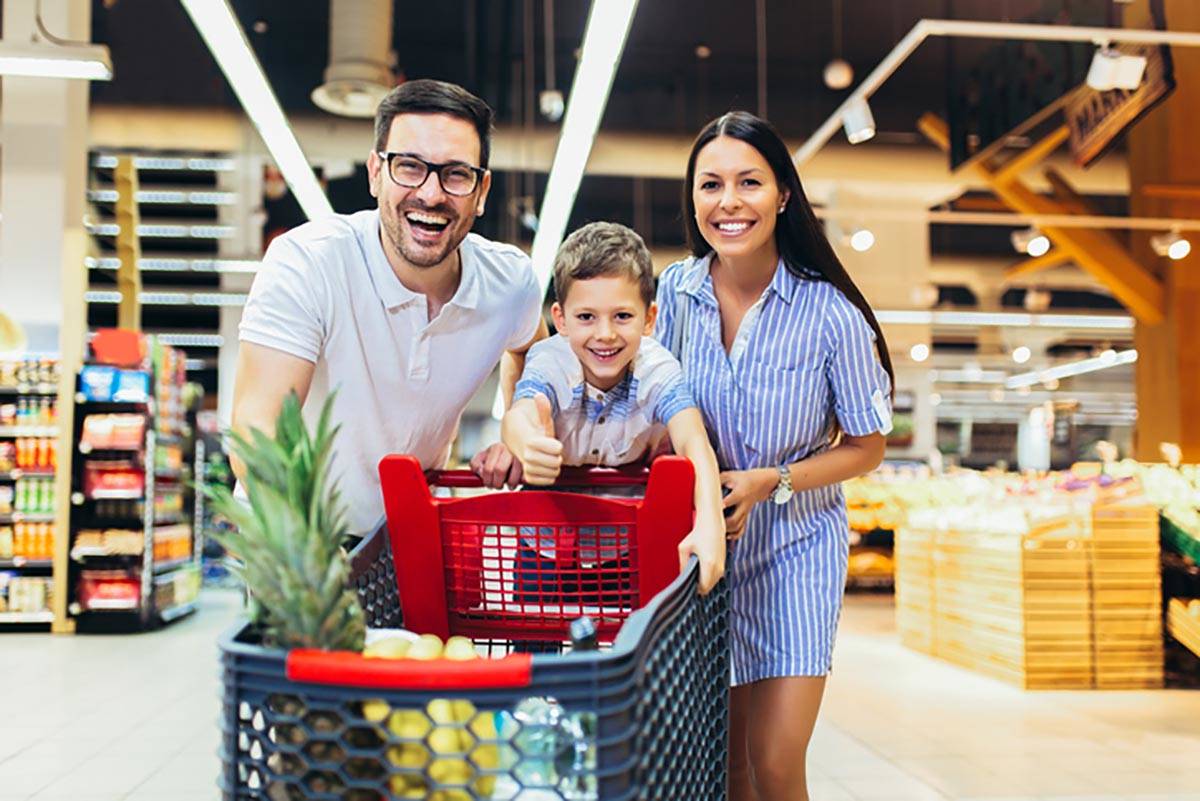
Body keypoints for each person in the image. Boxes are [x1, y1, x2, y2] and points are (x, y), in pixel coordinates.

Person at [655, 111, 894, 801]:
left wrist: (773, 480)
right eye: (711, 184)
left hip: (796, 547)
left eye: (749, 182)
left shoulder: (829, 315)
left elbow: (867, 445)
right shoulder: (675, 292)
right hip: (702, 548)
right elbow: (657, 404)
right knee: (723, 761)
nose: (728, 202)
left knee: (776, 760)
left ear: (783, 193)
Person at [233, 80, 546, 533]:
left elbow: (535, 358)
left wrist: (518, 432)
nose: (432, 194)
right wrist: (305, 548)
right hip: (294, 535)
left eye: (456, 174)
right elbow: (256, 426)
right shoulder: (309, 261)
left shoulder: (508, 284)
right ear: (376, 173)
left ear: (481, 191)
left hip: (405, 533)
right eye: (409, 167)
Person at [502, 221, 726, 595]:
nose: (605, 334)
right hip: (541, 542)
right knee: (535, 646)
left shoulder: (659, 370)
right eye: (586, 317)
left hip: (621, 546)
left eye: (622, 316)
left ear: (649, 319)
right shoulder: (550, 360)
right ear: (560, 320)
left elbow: (694, 442)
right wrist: (526, 443)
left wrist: (709, 523)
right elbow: (521, 412)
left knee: (624, 645)